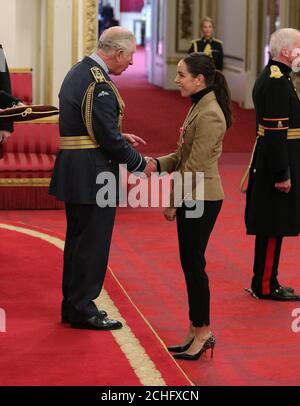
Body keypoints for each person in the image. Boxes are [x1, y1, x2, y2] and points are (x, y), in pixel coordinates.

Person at [49, 27, 156, 330]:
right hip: (93, 174)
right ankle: (83, 308)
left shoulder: (80, 71)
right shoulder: (100, 84)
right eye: (131, 56)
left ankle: (74, 305)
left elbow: (89, 125)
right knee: (92, 244)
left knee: (79, 241)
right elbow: (107, 138)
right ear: (118, 53)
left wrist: (117, 135)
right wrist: (138, 164)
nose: (132, 63)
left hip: (77, 168)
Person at [150, 53, 231, 360]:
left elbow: (194, 166)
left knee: (194, 266)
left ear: (199, 79)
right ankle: (195, 329)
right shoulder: (201, 104)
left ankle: (204, 332)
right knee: (190, 264)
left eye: (181, 74)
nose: (176, 79)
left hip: (202, 196)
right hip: (196, 194)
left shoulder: (210, 113)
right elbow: (183, 154)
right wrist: (156, 164)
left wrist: (172, 202)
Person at [245, 28, 300, 301]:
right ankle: (265, 285)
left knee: (273, 224)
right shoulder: (277, 81)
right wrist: (283, 174)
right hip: (276, 164)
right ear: (286, 52)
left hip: (274, 159)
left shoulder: (279, 77)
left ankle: (268, 279)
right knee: (273, 225)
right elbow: (277, 134)